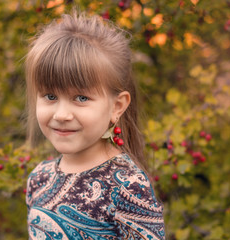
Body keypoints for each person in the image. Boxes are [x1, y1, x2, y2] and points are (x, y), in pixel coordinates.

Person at [25, 11, 165, 240]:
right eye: (50, 96)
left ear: (117, 107)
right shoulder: (39, 178)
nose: (61, 114)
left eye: (81, 98)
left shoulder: (127, 188)